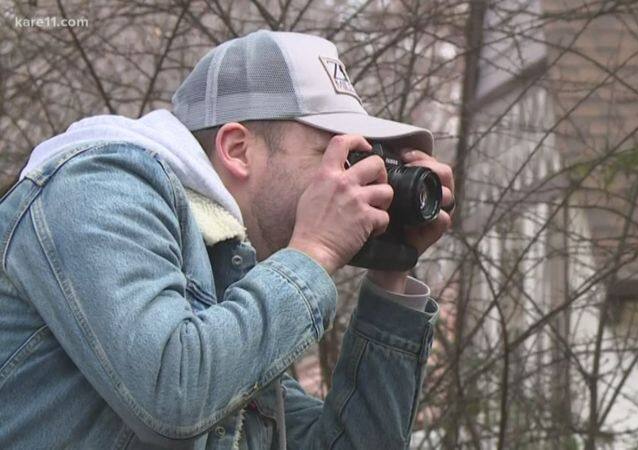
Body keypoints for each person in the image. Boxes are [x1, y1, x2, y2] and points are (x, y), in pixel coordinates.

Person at [0, 30, 454, 449]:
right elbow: (172, 396)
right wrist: (316, 251)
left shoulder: (230, 272)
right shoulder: (97, 184)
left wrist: (393, 271)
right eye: (335, 153)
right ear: (237, 149)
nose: (355, 178)